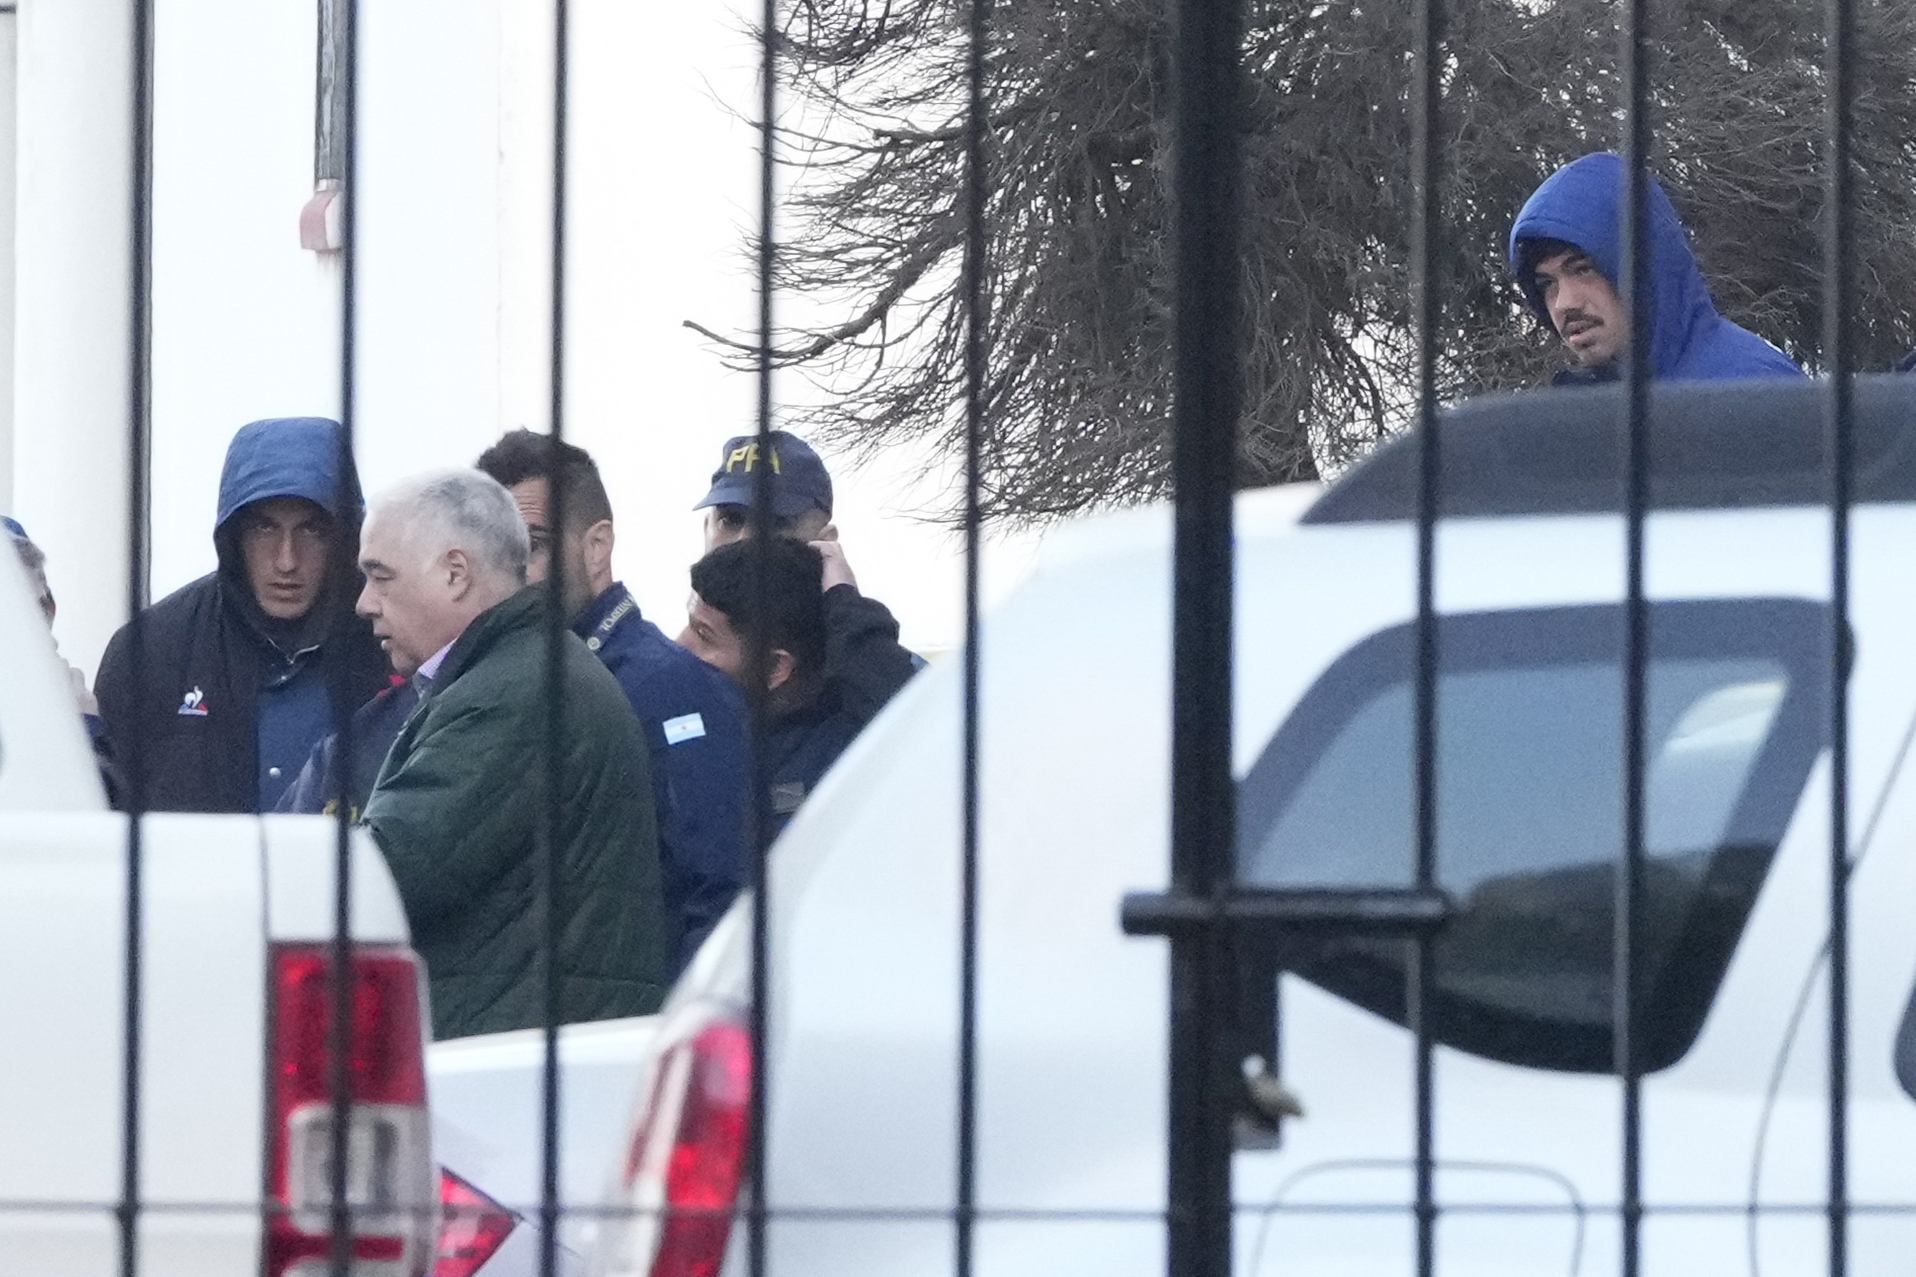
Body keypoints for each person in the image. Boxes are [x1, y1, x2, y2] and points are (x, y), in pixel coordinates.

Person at [355, 469, 668, 1040]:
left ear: (455, 573)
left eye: (380, 576)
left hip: (510, 1078)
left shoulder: (513, 694)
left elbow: (384, 874)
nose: (363, 603)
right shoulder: (521, 673)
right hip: (531, 1061)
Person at [476, 430, 749, 972]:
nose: (509, 572)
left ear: (596, 545)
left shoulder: (671, 689)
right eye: (492, 549)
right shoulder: (498, 679)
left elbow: (722, 894)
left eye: (530, 547)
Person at [94, 417, 391, 812]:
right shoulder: (152, 649)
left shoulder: (391, 641)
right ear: (233, 536)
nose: (287, 561)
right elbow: (102, 813)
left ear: (345, 538)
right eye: (265, 529)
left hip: (355, 874)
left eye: (311, 531)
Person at [1508, 152, 1805, 385]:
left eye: (1583, 270)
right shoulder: (1588, 418)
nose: (1564, 303)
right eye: (1547, 284)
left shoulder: (1749, 390)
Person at [695, 430, 920, 724]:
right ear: (706, 530)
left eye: (775, 523)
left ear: (826, 542)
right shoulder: (671, 661)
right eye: (731, 520)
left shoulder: (884, 676)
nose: (747, 539)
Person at [679, 537, 895, 836]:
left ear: (775, 667)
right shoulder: (695, 716)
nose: (679, 645)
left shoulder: (855, 750)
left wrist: (844, 598)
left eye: (704, 635)